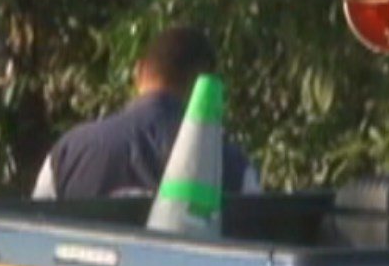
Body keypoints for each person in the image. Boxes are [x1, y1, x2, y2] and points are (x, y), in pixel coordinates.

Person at [31, 26, 259, 201]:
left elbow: (36, 235)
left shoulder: (69, 152)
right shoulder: (230, 164)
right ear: (205, 88)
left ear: (138, 71)